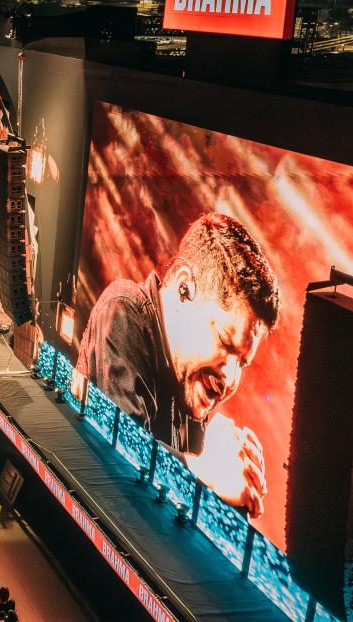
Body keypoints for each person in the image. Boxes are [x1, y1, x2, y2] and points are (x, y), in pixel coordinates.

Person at [73, 212, 280, 518]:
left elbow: (172, 512)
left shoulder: (191, 388)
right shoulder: (123, 310)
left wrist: (235, 489)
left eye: (243, 364)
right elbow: (117, 466)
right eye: (224, 341)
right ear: (184, 289)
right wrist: (204, 467)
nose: (230, 379)